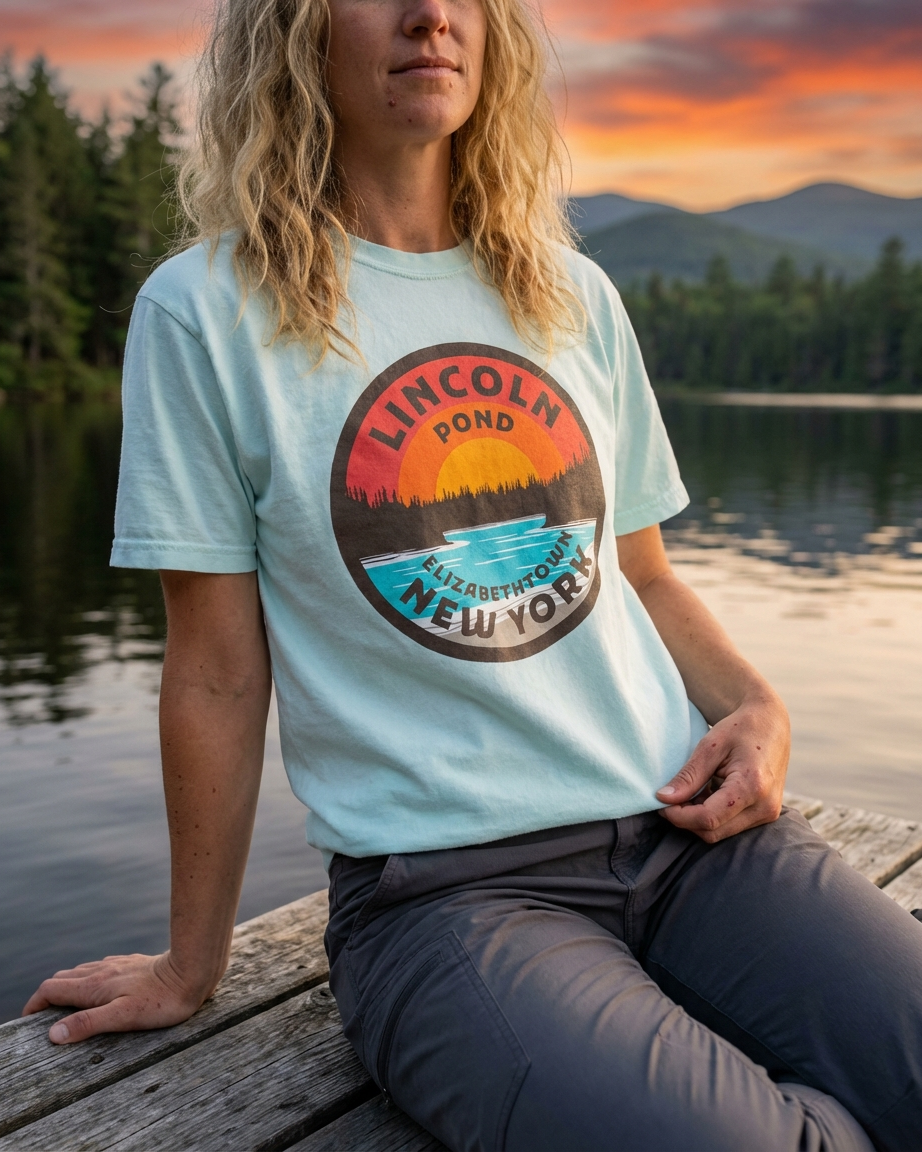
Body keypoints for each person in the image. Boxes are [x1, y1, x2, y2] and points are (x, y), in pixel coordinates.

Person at [23, 1, 921, 1148]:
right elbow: (212, 674)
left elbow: (638, 574)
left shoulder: (569, 294)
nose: (431, 15)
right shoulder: (204, 312)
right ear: (292, 32)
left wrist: (756, 704)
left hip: (689, 840)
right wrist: (191, 966)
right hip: (446, 898)